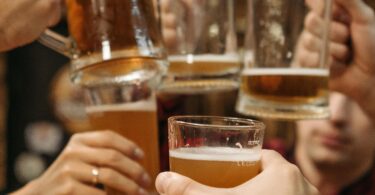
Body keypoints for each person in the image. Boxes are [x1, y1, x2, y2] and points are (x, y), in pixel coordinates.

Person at [156, 0, 375, 194]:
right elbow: (152, 162)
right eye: (321, 92)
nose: (336, 115)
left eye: (357, 102)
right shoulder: (246, 157)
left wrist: (370, 91)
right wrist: (167, 76)